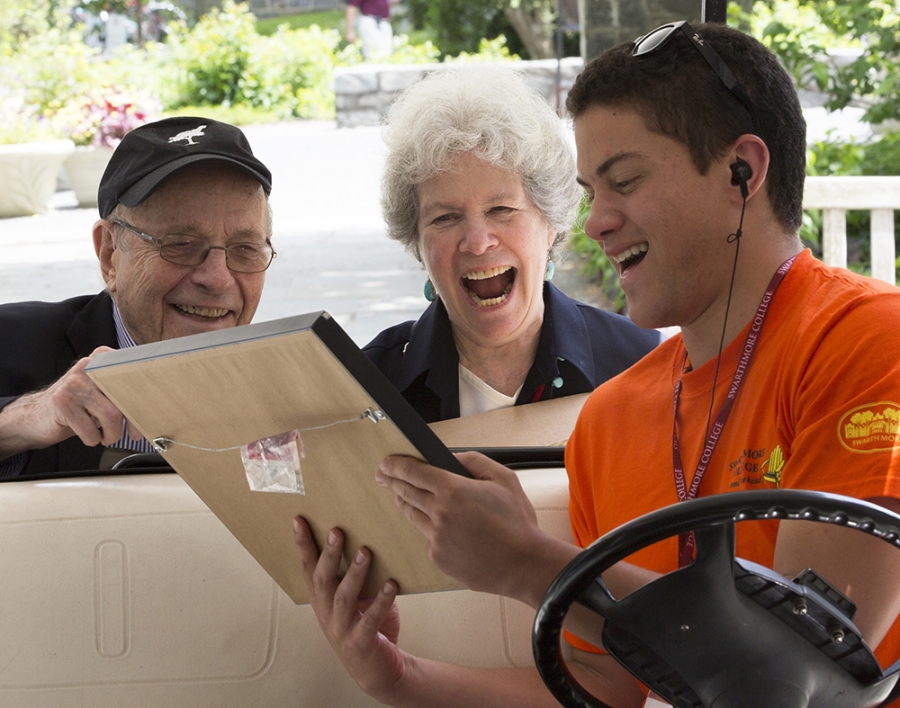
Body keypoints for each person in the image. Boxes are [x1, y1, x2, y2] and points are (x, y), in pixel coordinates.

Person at [293, 22, 900, 707]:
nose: (594, 222)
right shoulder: (610, 417)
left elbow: (805, 667)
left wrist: (528, 562)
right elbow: (605, 688)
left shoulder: (868, 339)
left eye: (625, 181)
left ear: (744, 172)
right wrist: (397, 678)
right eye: (591, 191)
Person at [363, 65, 660, 422]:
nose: (477, 242)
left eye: (501, 209)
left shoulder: (640, 363)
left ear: (549, 222)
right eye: (445, 217)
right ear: (418, 244)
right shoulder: (369, 387)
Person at [0, 116, 274, 478]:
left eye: (245, 248)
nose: (218, 278)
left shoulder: (301, 390)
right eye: (181, 245)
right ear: (110, 254)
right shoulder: (12, 344)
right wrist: (22, 420)